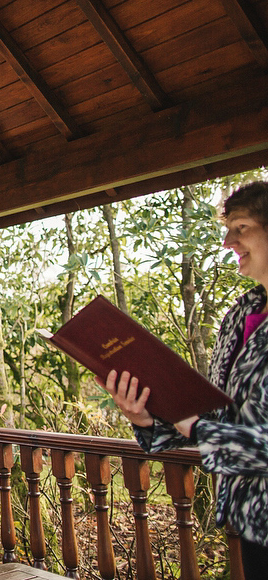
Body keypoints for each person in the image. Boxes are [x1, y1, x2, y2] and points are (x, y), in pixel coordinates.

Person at [102, 181, 268, 578]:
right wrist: (148, 418)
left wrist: (196, 426)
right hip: (250, 521)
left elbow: (205, 425)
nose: (228, 241)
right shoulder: (239, 316)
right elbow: (215, 415)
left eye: (240, 227)